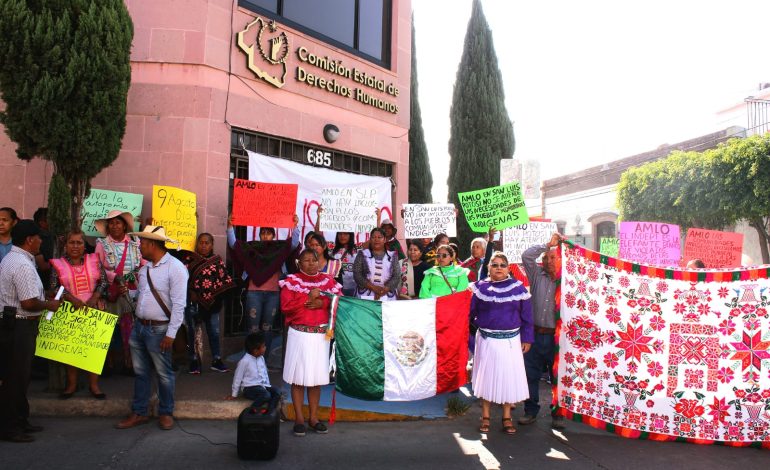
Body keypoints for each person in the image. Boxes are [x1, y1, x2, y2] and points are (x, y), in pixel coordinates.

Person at [115, 226, 188, 431]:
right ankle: (139, 412)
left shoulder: (176, 268)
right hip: (140, 327)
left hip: (159, 330)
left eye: (143, 244)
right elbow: (143, 294)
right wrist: (130, 293)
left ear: (153, 244)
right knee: (141, 372)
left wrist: (171, 334)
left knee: (164, 374)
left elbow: (179, 304)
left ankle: (166, 412)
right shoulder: (146, 268)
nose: (140, 247)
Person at [0, 220, 62, 443]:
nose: (40, 242)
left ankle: (20, 420)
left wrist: (45, 295)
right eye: (39, 238)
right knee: (16, 377)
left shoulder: (16, 259)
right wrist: (49, 305)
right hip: (19, 325)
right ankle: (10, 427)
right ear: (29, 240)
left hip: (14, 325)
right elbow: (27, 303)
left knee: (18, 376)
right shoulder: (23, 264)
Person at [279, 249, 342, 436]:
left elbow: (339, 302)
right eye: (306, 260)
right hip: (299, 334)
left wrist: (322, 304)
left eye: (313, 260)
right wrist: (308, 298)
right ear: (299, 263)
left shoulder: (328, 281)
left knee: (316, 379)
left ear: (319, 262)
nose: (310, 263)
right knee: (298, 378)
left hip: (320, 336)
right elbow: (286, 308)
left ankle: (313, 418)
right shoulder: (291, 282)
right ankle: (299, 418)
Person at [470, 252, 533, 435]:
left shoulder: (519, 288)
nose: (498, 268)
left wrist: (527, 338)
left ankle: (507, 416)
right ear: (488, 267)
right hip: (486, 341)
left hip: (511, 342)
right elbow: (468, 313)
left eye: (502, 265)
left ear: (508, 268)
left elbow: (527, 317)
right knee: (487, 379)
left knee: (507, 379)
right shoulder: (479, 288)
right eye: (494, 265)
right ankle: (486, 416)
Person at [228, 214, 300, 363]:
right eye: (263, 233)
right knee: (252, 328)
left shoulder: (278, 249)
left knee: (267, 328)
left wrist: (295, 226)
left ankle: (263, 362)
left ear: (273, 236)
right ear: (259, 235)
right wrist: (230, 226)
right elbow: (235, 245)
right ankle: (250, 361)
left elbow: (293, 244)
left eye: (268, 233)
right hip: (254, 293)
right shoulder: (252, 248)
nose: (265, 236)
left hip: (273, 294)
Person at [50, 230, 108, 400]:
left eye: (79, 243)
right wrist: (70, 298)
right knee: (71, 350)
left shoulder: (94, 260)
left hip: (94, 309)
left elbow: (103, 281)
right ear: (65, 245)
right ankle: (71, 385)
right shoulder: (57, 264)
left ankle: (94, 385)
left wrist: (95, 297)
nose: (75, 246)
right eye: (71, 243)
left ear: (84, 245)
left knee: (94, 349)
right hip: (69, 311)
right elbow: (54, 286)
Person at [518, 232, 566, 430]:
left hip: (558, 338)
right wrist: (548, 245)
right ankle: (531, 411)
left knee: (558, 377)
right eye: (547, 257)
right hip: (534, 335)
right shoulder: (537, 275)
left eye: (554, 257)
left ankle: (558, 415)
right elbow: (527, 256)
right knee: (531, 374)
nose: (549, 260)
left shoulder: (568, 281)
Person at [94, 210, 144, 374]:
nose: (114, 226)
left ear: (124, 225)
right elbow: (97, 267)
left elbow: (142, 264)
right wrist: (114, 277)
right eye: (111, 223)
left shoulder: (135, 243)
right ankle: (107, 365)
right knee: (107, 329)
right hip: (110, 292)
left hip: (131, 291)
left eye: (118, 222)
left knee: (129, 328)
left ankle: (129, 364)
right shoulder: (101, 244)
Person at [181, 232, 235, 374]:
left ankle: (216, 360)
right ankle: (193, 361)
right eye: (201, 242)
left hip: (213, 304)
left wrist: (215, 296)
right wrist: (190, 290)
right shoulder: (188, 260)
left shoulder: (217, 261)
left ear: (212, 245)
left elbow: (224, 280)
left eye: (207, 243)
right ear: (197, 244)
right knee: (192, 332)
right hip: (193, 303)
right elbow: (181, 278)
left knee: (214, 332)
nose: (203, 245)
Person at [226, 332, 280, 411]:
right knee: (266, 395)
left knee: (277, 392)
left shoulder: (261, 358)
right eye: (263, 346)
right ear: (255, 351)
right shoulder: (244, 361)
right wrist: (234, 394)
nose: (265, 348)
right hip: (249, 388)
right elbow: (237, 378)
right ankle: (251, 411)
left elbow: (265, 373)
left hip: (262, 386)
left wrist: (268, 385)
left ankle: (270, 412)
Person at [353, 228, 400, 301]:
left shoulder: (392, 255)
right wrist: (373, 287)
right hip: (365, 295)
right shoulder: (362, 254)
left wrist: (385, 289)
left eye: (379, 237)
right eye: (373, 237)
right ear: (370, 239)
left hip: (387, 295)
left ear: (384, 239)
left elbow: (396, 275)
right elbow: (357, 274)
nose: (376, 240)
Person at [331, 231, 358, 297]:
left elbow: (374, 240)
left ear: (351, 235)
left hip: (354, 288)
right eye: (340, 234)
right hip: (336, 288)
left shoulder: (358, 249)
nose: (342, 236)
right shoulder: (331, 249)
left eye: (345, 234)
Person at [32, 208, 53, 287]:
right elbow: (43, 265)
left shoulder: (52, 236)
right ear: (42, 223)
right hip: (44, 282)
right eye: (51, 219)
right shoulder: (40, 238)